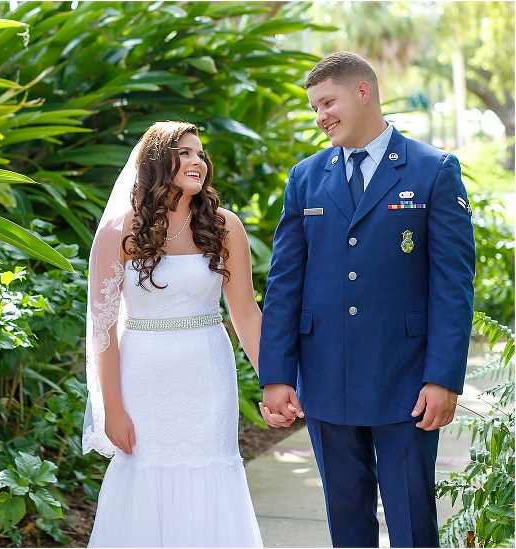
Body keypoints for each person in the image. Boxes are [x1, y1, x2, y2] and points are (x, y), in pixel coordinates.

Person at [258, 51, 475, 548]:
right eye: (314, 107)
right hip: (326, 376)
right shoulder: (306, 177)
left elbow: (452, 284)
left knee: (412, 522)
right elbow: (285, 282)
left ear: (363, 92)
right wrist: (276, 376)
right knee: (346, 520)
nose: (320, 117)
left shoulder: (432, 170)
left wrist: (442, 377)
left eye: (327, 102)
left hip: (406, 381)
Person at [82, 121, 264, 547]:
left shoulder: (224, 226)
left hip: (208, 378)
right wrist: (112, 408)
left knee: (211, 471)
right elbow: (102, 328)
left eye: (200, 154)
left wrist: (274, 382)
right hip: (143, 381)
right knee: (145, 478)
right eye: (183, 152)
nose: (196, 161)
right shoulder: (117, 232)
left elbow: (247, 315)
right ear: (155, 161)